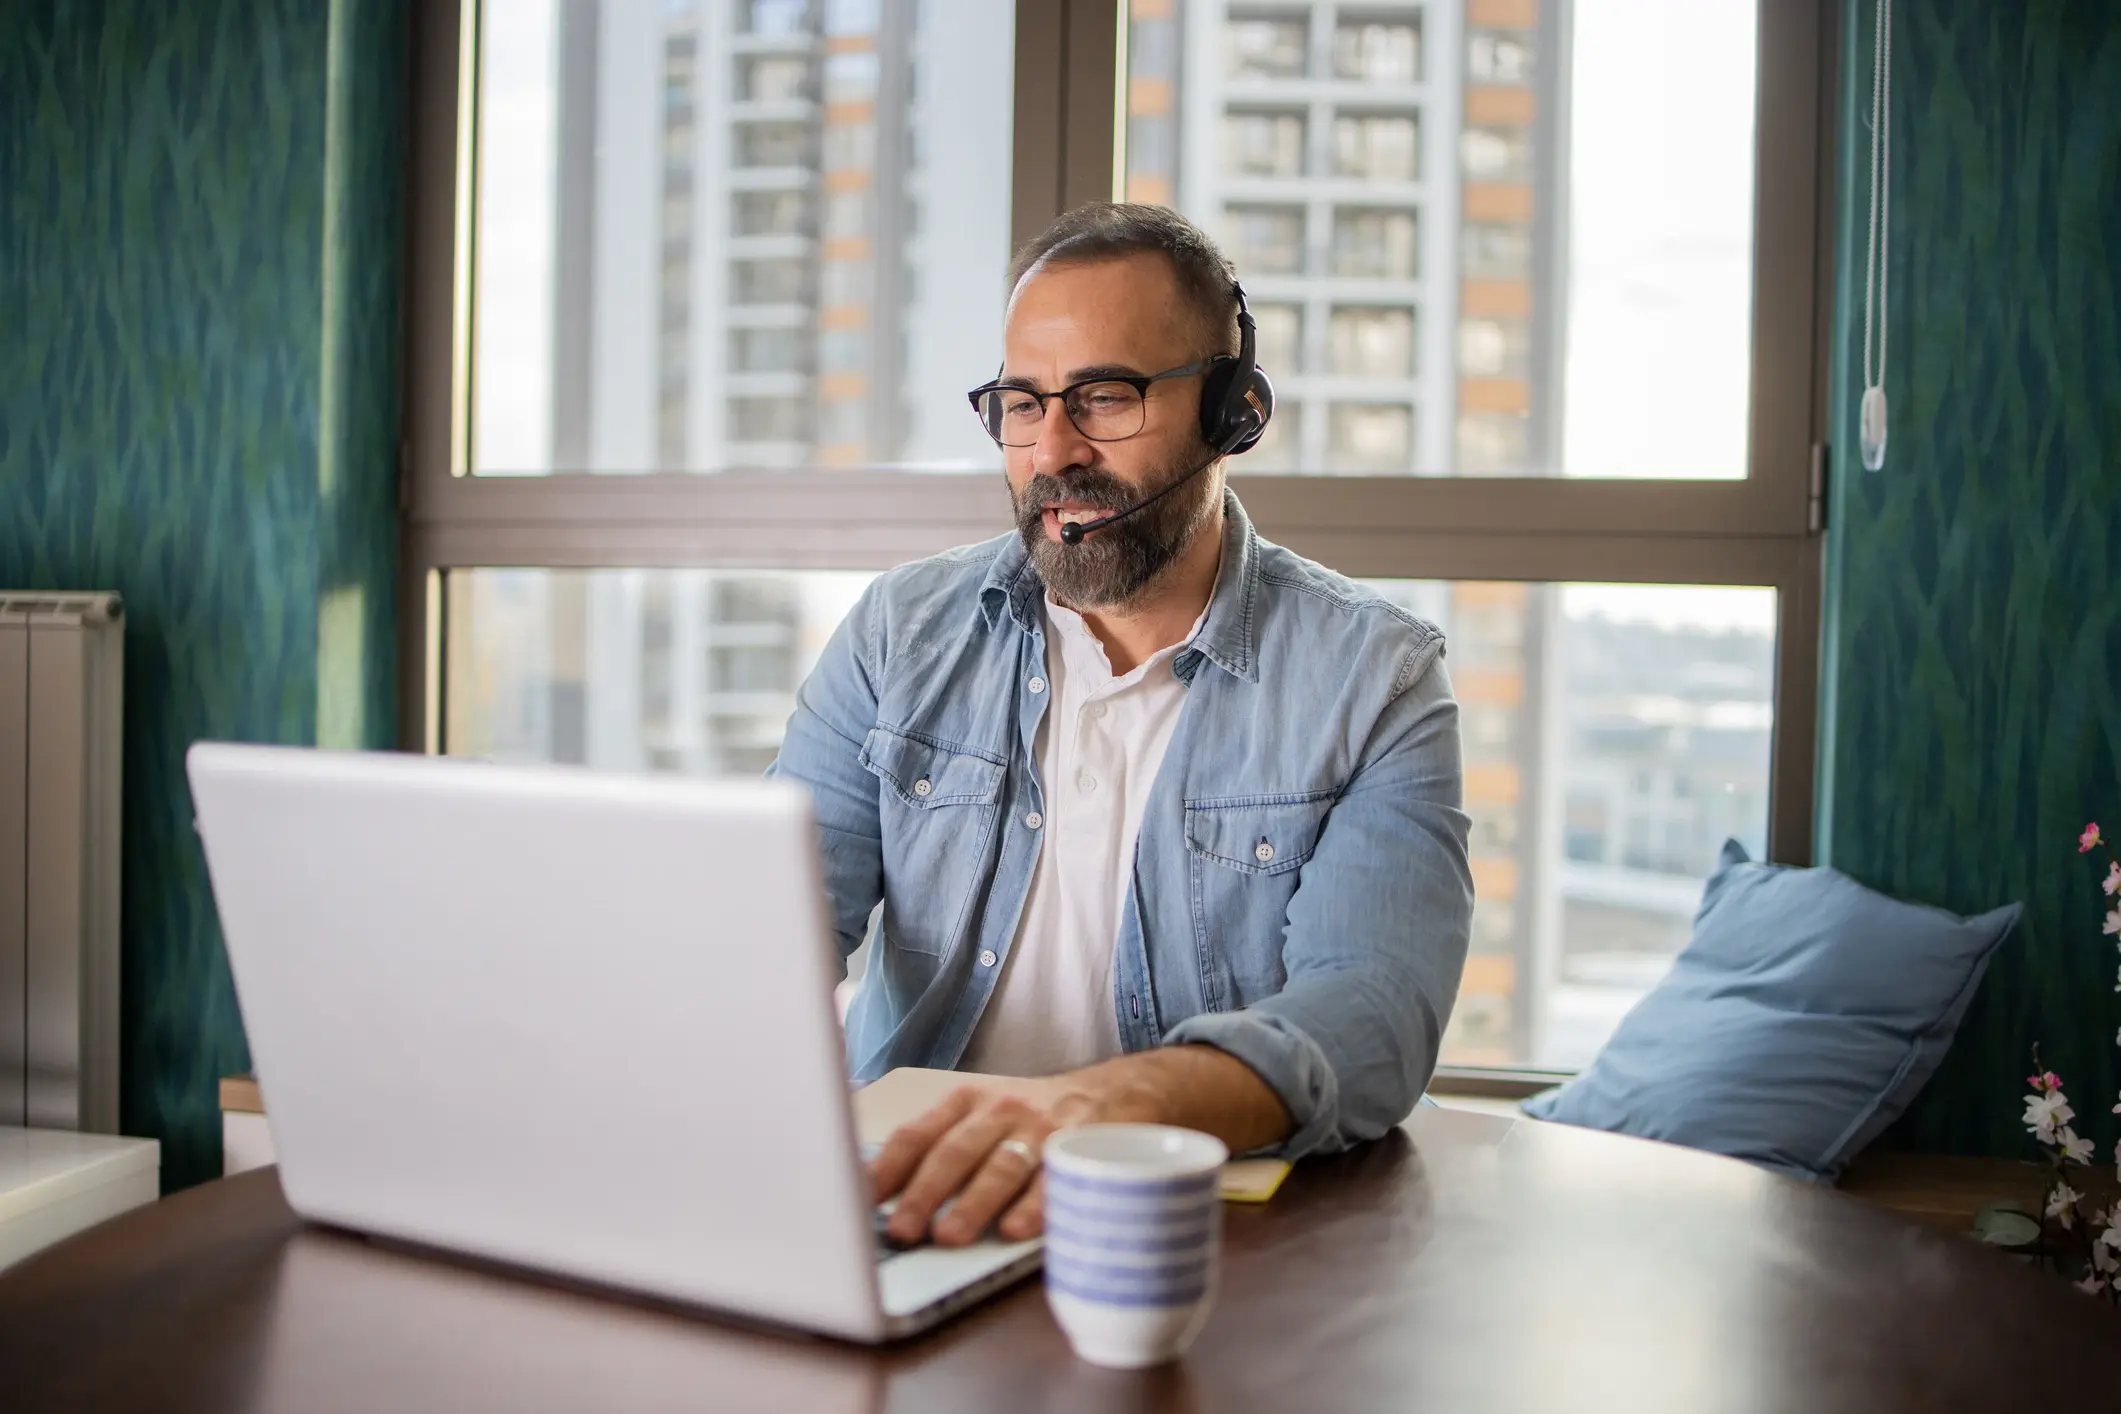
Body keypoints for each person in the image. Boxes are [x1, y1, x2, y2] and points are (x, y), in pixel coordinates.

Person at [769, 202, 1472, 1249]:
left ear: (1232, 414)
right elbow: (771, 938)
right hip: (914, 1209)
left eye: (1105, 396)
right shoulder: (897, 634)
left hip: (1198, 1234)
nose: (1053, 449)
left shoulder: (1377, 678)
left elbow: (1370, 1016)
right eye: (1021, 402)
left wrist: (1099, 1107)